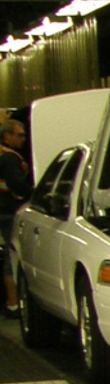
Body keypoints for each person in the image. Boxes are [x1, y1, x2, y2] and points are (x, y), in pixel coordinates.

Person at [0, 115, 28, 315]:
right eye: (19, 135)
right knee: (12, 256)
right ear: (7, 136)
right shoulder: (10, 158)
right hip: (8, 211)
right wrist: (36, 193)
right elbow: (16, 185)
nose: (23, 139)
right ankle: (13, 303)